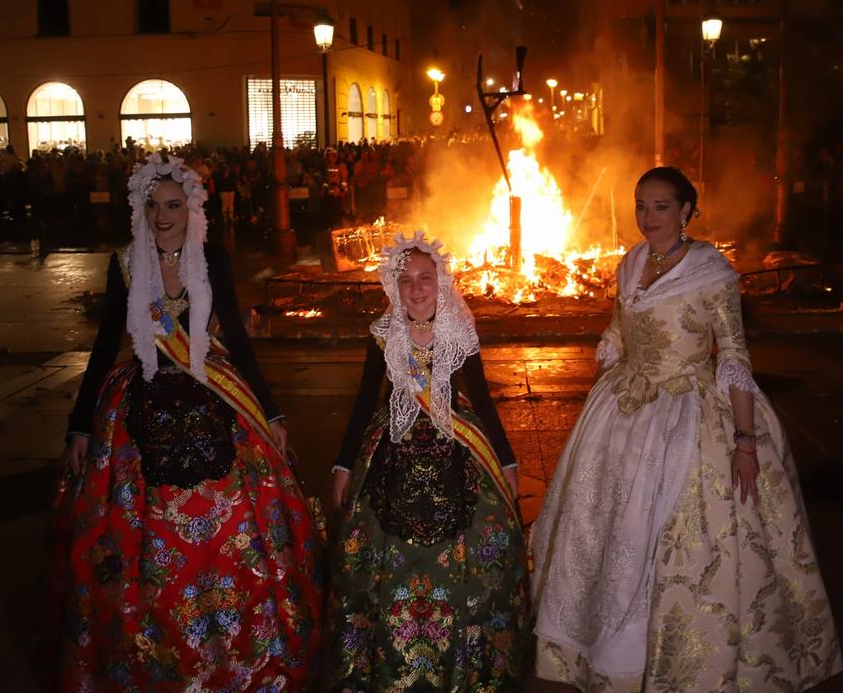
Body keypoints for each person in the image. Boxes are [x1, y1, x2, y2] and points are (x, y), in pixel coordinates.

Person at [531, 166, 841, 691]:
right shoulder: (629, 262)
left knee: (677, 537)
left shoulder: (712, 271)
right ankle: (604, 652)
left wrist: (745, 441)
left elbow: (734, 355)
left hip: (690, 411)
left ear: (686, 212)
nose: (647, 217)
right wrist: (609, 374)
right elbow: (617, 329)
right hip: (625, 408)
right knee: (604, 529)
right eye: (640, 205)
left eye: (660, 206)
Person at [45, 153, 323, 690]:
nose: (162, 215)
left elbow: (238, 340)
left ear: (192, 208)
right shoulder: (125, 264)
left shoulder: (210, 257)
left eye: (173, 205)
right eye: (153, 206)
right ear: (140, 210)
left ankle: (235, 650)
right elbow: (104, 346)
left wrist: (270, 410)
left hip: (211, 392)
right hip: (140, 401)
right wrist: (79, 426)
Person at [326, 231, 529, 691]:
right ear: (392, 287)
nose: (417, 288)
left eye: (425, 278)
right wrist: (342, 466)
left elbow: (482, 399)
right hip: (392, 456)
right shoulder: (382, 335)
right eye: (406, 280)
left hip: (456, 451)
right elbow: (362, 404)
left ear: (442, 283)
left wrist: (508, 463)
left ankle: (460, 660)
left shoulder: (460, 333)